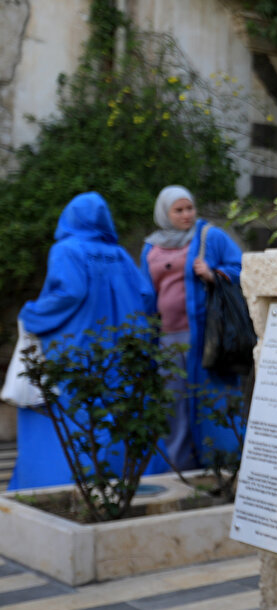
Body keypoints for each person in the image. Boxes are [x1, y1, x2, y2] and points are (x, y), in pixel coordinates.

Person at [8, 192, 156, 490]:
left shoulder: (66, 250)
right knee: (117, 418)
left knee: (63, 419)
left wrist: (32, 314)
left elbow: (68, 294)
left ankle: (53, 484)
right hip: (122, 353)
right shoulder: (120, 255)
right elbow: (147, 295)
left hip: (74, 352)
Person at [140, 185, 243, 473]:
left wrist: (214, 275)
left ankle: (221, 464)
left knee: (212, 399)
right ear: (164, 213)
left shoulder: (211, 237)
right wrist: (145, 337)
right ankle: (178, 468)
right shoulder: (151, 247)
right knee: (173, 404)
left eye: (190, 208)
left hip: (206, 337)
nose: (186, 215)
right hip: (167, 341)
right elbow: (145, 292)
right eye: (179, 210)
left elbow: (243, 267)